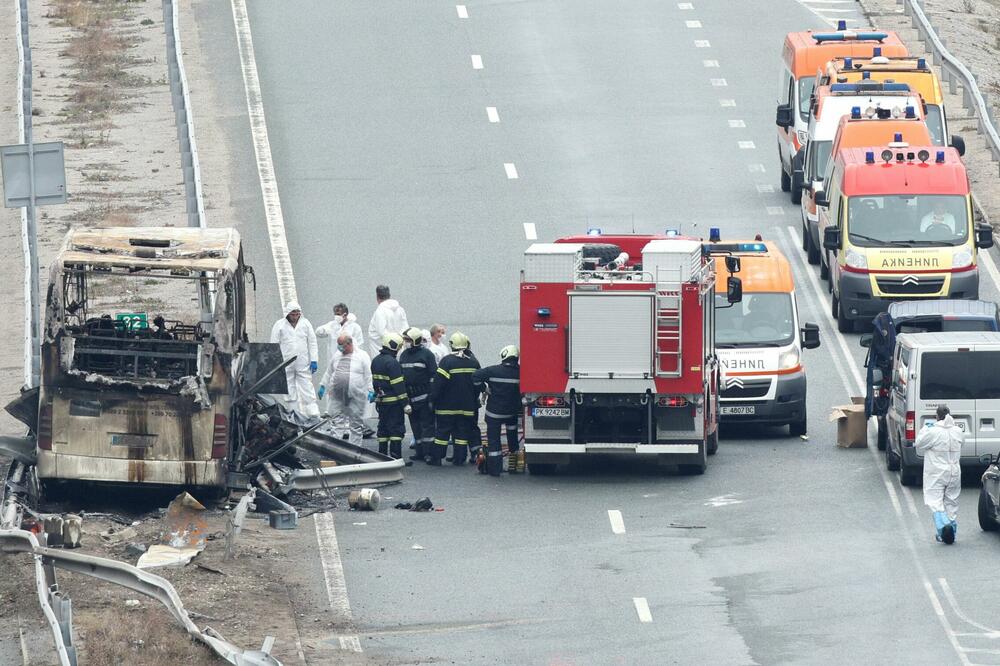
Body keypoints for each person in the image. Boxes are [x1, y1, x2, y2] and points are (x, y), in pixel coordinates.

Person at [429, 332, 481, 466]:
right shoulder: (473, 362)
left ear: (452, 345)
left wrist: (432, 400)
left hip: (446, 407)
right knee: (462, 433)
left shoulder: (447, 362)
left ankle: (437, 458)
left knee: (442, 433)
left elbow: (438, 384)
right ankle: (460, 458)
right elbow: (478, 384)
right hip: (467, 407)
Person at [915, 404, 963, 544]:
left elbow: (919, 443)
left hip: (936, 473)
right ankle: (951, 530)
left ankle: (944, 528)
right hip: (954, 472)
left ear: (937, 416)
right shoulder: (957, 431)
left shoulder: (933, 431)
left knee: (935, 501)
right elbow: (962, 444)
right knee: (951, 501)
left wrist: (925, 428)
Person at [473, 345, 521, 476]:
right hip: (511, 413)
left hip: (494, 414)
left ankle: (495, 470)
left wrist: (484, 388)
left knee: (494, 441)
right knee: (513, 438)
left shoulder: (493, 371)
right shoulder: (521, 372)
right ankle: (514, 465)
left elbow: (475, 376)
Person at [318, 334, 372, 445]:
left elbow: (369, 375)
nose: (339, 348)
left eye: (341, 345)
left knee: (356, 423)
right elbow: (329, 372)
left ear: (349, 344)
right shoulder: (337, 355)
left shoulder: (362, 356)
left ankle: (354, 449)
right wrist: (323, 385)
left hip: (356, 395)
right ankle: (336, 448)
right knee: (336, 422)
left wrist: (371, 390)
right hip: (337, 395)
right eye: (338, 345)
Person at [270, 301, 320, 418]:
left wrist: (314, 359)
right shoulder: (279, 325)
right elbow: (273, 344)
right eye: (293, 314)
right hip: (285, 362)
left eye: (297, 314)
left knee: (306, 385)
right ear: (288, 314)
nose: (295, 316)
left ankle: (312, 412)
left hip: (303, 362)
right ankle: (293, 411)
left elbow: (312, 342)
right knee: (288, 386)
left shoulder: (305, 324)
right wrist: (275, 362)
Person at [399, 327, 437, 462]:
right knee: (415, 426)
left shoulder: (427, 355)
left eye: (408, 340)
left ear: (415, 341)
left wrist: (432, 397)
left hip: (424, 397)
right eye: (405, 340)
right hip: (410, 398)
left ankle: (429, 453)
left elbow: (434, 376)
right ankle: (419, 452)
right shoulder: (403, 355)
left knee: (427, 427)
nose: (405, 342)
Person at [371, 332, 410, 459]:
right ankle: (396, 457)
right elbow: (398, 385)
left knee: (383, 428)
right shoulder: (392, 363)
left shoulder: (376, 361)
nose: (399, 349)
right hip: (394, 403)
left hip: (381, 402)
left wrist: (376, 394)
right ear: (393, 346)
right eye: (398, 346)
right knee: (396, 430)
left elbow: (375, 382)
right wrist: (405, 403)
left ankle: (382, 456)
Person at [367, 285, 409, 358]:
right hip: (399, 348)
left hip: (382, 352)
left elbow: (381, 332)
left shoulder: (380, 311)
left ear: (377, 297)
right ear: (389, 295)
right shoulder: (400, 309)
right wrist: (398, 338)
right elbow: (406, 329)